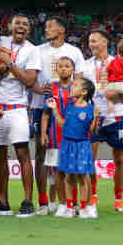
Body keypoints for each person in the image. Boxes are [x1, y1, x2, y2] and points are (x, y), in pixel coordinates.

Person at [0, 14, 40, 217]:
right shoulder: (0, 43)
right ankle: (2, 201)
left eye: (25, 24)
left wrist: (10, 63)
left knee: (22, 154)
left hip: (17, 108)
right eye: (17, 23)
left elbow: (28, 80)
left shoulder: (32, 50)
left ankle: (27, 201)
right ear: (10, 26)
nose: (21, 27)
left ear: (29, 29)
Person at [31, 16, 84, 214]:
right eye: (45, 27)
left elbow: (79, 82)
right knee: (41, 154)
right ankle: (43, 202)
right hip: (42, 106)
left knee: (69, 158)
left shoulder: (74, 52)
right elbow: (31, 77)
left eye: (50, 27)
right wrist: (38, 89)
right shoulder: (38, 50)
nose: (46, 30)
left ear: (61, 30)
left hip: (68, 110)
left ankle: (70, 202)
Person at [79, 29, 123, 213]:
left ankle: (118, 200)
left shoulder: (119, 63)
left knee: (119, 159)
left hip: (117, 115)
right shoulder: (84, 66)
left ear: (104, 42)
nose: (91, 44)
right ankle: (92, 197)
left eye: (94, 41)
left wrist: (114, 93)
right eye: (89, 41)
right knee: (89, 158)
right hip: (93, 117)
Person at [51, 77, 97, 219]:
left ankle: (84, 208)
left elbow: (93, 130)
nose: (72, 86)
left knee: (83, 176)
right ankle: (70, 208)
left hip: (82, 145)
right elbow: (62, 123)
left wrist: (96, 118)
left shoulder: (91, 109)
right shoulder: (69, 107)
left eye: (75, 85)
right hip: (67, 144)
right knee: (68, 176)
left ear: (83, 92)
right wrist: (54, 110)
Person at [40, 56, 76, 214]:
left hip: (74, 136)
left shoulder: (77, 88)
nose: (63, 68)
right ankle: (61, 204)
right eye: (60, 66)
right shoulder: (51, 89)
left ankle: (73, 203)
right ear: (56, 69)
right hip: (55, 137)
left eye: (67, 66)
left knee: (73, 172)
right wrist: (43, 133)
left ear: (72, 69)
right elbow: (46, 114)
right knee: (57, 173)